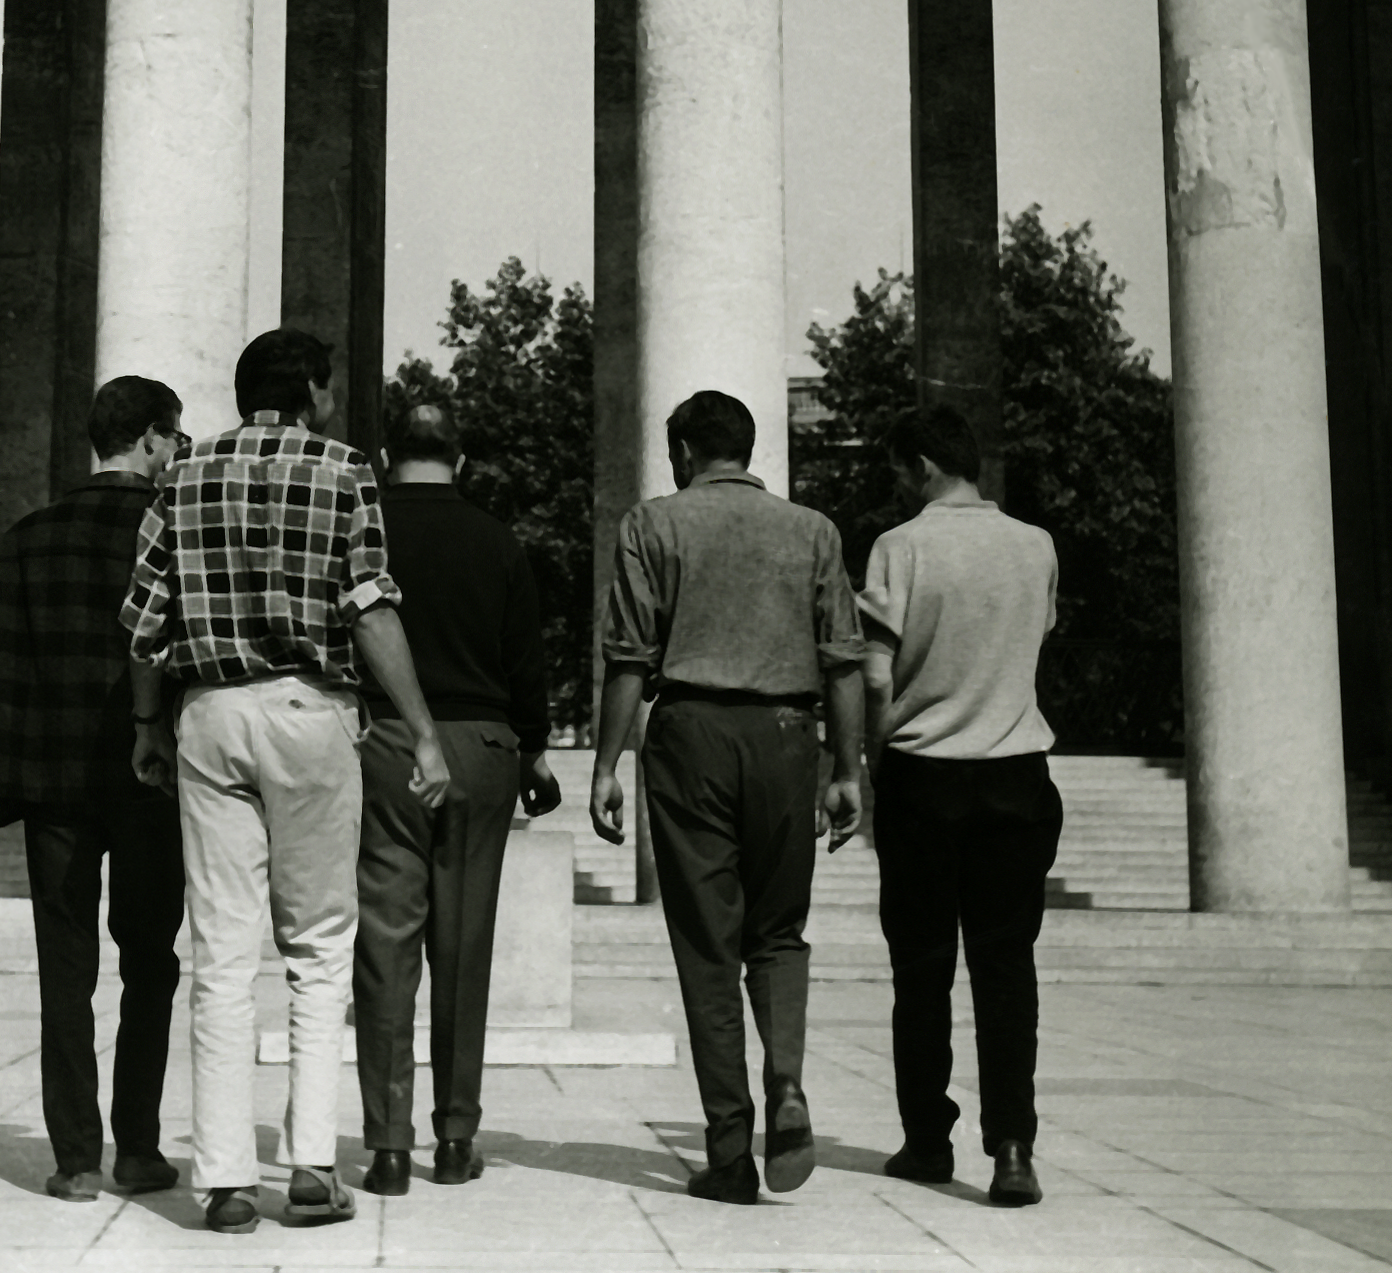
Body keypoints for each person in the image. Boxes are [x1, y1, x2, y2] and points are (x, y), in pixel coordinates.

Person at [120, 328, 452, 1236]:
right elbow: (369, 606)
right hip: (310, 711)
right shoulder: (346, 472)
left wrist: (150, 725)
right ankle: (310, 1166)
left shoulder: (180, 477)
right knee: (317, 944)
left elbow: (146, 621)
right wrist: (421, 731)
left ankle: (225, 1181)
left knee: (221, 953)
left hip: (210, 710)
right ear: (312, 385)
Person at [589, 388, 866, 1205]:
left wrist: (605, 764)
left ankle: (728, 1150)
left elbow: (629, 656)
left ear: (681, 451)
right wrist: (846, 769)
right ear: (749, 451)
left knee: (708, 945)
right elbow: (843, 659)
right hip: (786, 736)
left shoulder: (653, 524)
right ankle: (786, 1082)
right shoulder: (812, 530)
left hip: (691, 735)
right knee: (777, 934)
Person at [0, 375, 189, 1201]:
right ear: (150, 439)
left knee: (64, 969)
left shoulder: (23, 540)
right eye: (175, 440)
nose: (177, 455)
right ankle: (137, 1146)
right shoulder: (170, 532)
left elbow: (1, 674)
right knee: (149, 963)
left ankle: (73, 1158)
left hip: (55, 783)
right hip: (148, 781)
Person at [354, 399, 561, 1197]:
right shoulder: (498, 541)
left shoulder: (364, 531)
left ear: (383, 457)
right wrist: (533, 753)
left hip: (384, 744)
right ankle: (453, 1135)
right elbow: (525, 665)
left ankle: (386, 1146)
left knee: (385, 949)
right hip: (481, 748)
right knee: (463, 949)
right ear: (462, 461)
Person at [860, 401, 1062, 1208]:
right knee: (1006, 967)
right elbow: (1034, 640)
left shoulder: (898, 547)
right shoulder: (1035, 546)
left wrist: (865, 765)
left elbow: (875, 675)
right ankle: (1011, 1145)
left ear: (922, 466)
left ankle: (926, 1140)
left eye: (897, 470)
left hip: (923, 773)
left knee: (921, 970)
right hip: (1015, 771)